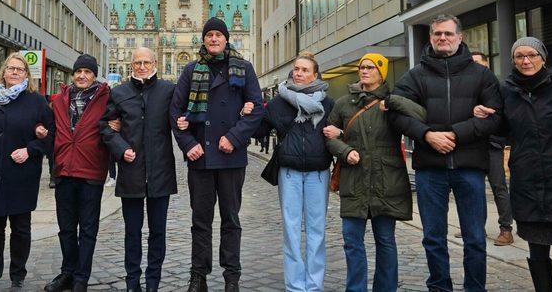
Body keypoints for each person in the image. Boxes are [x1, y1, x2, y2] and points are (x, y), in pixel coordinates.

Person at [392, 14, 503, 292]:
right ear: (430, 38)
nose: (443, 38)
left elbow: (496, 117)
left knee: (475, 238)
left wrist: (456, 133)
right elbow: (396, 114)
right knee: (433, 237)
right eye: (438, 34)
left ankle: (475, 288)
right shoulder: (415, 75)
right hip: (430, 168)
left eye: (448, 34)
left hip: (470, 167)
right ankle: (439, 287)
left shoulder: (482, 75)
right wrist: (427, 135)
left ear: (460, 37)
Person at [475, 38, 552, 291]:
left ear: (542, 57)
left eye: (531, 55)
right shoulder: (506, 89)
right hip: (526, 180)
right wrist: (489, 117)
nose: (525, 61)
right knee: (537, 252)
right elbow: (503, 130)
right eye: (519, 56)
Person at [170, 17, 264, 292]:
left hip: (231, 157)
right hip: (200, 157)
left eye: (218, 35)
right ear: (204, 39)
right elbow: (175, 113)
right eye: (209, 34)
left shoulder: (244, 69)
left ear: (226, 39)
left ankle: (231, 277)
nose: (213, 39)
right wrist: (188, 144)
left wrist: (233, 138)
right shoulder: (190, 70)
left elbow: (257, 108)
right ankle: (198, 275)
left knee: (231, 220)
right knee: (200, 221)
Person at [324, 53, 427, 292]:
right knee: (352, 241)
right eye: (362, 67)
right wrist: (344, 150)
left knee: (386, 241)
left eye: (371, 67)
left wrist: (393, 103)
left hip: (386, 181)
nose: (365, 70)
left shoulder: (393, 100)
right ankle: (356, 289)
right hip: (354, 180)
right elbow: (329, 136)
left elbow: (421, 115)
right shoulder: (344, 103)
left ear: (381, 71)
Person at [0, 53, 54, 292]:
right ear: (3, 72)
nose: (15, 73)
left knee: (21, 229)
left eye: (20, 70)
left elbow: (52, 136)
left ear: (27, 75)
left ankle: (18, 276)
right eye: (11, 68)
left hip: (21, 175)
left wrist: (31, 149)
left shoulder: (36, 101)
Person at [100, 47, 177, 292]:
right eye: (137, 63)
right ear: (130, 65)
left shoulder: (168, 90)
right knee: (132, 232)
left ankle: (153, 282)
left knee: (158, 232)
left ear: (155, 63)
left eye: (146, 62)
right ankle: (133, 283)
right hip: (131, 172)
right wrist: (121, 148)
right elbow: (106, 127)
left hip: (160, 172)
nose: (142, 66)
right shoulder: (119, 92)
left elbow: (181, 119)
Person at [257, 52, 334, 292]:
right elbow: (259, 129)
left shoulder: (328, 103)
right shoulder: (279, 102)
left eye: (304, 70)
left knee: (316, 230)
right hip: (289, 172)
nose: (298, 74)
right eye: (296, 70)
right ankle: (295, 286)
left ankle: (314, 285)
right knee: (291, 230)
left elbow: (339, 131)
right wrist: (247, 111)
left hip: (318, 173)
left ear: (315, 75)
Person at [44, 54, 111, 292]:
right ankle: (67, 273)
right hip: (64, 170)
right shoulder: (60, 99)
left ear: (94, 75)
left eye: (87, 72)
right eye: (78, 72)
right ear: (73, 75)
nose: (82, 76)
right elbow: (46, 126)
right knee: (66, 228)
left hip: (91, 170)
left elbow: (118, 124)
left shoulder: (106, 99)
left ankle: (81, 278)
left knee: (88, 228)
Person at [469, 51, 514, 247]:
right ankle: (477, 227)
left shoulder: (498, 87)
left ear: (487, 65)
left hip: (492, 144)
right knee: (474, 189)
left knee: (498, 187)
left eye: (477, 62)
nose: (474, 66)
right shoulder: (467, 87)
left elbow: (505, 115)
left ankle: (506, 229)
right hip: (472, 145)